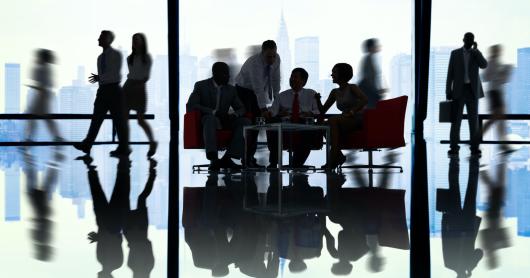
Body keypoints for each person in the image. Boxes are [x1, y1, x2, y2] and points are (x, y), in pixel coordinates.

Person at [74, 30, 130, 157]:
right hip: (103, 91)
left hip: (114, 91)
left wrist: (100, 78)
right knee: (96, 119)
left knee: (118, 121)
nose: (98, 39)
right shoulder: (100, 58)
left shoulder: (116, 55)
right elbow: (108, 76)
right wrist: (101, 80)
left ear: (109, 40)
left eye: (101, 37)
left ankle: (123, 148)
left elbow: (115, 75)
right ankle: (87, 144)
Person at [186, 62, 249, 171]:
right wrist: (213, 112)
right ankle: (213, 158)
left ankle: (228, 157)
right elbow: (191, 105)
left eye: (228, 73)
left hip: (226, 120)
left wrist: (234, 115)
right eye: (225, 74)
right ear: (215, 73)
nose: (228, 76)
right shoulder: (201, 86)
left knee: (245, 122)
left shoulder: (231, 89)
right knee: (210, 119)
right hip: (209, 119)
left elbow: (241, 108)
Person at [235, 40, 281, 167]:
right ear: (262, 53)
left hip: (258, 91)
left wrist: (278, 101)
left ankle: (260, 159)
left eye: (273, 55)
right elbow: (258, 88)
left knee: (264, 120)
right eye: (268, 56)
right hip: (244, 90)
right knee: (254, 122)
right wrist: (263, 109)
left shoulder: (277, 59)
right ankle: (248, 158)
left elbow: (276, 80)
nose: (271, 59)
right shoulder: (255, 63)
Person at [266, 68, 320, 169]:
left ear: (303, 81)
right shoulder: (282, 96)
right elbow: (272, 112)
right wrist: (279, 113)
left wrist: (310, 113)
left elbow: (318, 111)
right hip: (286, 123)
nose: (292, 79)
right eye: (291, 76)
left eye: (295, 77)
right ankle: (273, 163)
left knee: (307, 130)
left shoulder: (311, 94)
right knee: (273, 126)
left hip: (303, 122)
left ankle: (296, 164)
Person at [316, 63, 367, 169]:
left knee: (332, 121)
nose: (331, 75)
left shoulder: (352, 87)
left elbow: (364, 100)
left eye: (334, 72)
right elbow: (323, 110)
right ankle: (338, 156)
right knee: (325, 125)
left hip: (356, 118)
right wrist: (317, 100)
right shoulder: (334, 92)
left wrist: (352, 111)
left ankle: (332, 159)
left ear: (342, 74)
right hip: (344, 120)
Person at [446, 32, 488, 156]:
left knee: (473, 121)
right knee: (456, 121)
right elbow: (450, 74)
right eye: (468, 39)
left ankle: (474, 148)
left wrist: (477, 50)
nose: (469, 41)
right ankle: (454, 147)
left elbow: (484, 65)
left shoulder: (475, 54)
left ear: (473, 41)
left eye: (472, 39)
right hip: (458, 91)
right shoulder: (455, 54)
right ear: (463, 39)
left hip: (472, 91)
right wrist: (448, 91)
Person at [122, 33, 158, 157]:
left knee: (140, 120)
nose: (136, 43)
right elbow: (131, 74)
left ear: (143, 42)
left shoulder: (147, 58)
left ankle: (152, 142)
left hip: (139, 88)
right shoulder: (129, 58)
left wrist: (138, 83)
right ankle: (125, 145)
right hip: (128, 87)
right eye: (134, 40)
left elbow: (146, 76)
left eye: (138, 40)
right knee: (124, 119)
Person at [25, 49, 63, 142]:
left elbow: (40, 81)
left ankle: (29, 138)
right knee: (45, 118)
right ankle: (56, 136)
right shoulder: (46, 68)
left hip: (42, 95)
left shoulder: (43, 68)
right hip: (44, 94)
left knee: (34, 116)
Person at [482, 44, 513, 153]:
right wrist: (499, 74)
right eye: (498, 50)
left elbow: (503, 80)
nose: (500, 52)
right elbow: (485, 77)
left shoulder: (497, 63)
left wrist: (505, 72)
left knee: (500, 119)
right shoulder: (491, 62)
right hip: (494, 93)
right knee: (496, 118)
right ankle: (477, 137)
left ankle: (503, 145)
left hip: (497, 93)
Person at [358, 38, 387, 108]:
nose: (378, 47)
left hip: (369, 91)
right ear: (371, 47)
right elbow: (369, 78)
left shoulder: (370, 58)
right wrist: (377, 91)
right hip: (369, 92)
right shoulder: (368, 59)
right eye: (376, 45)